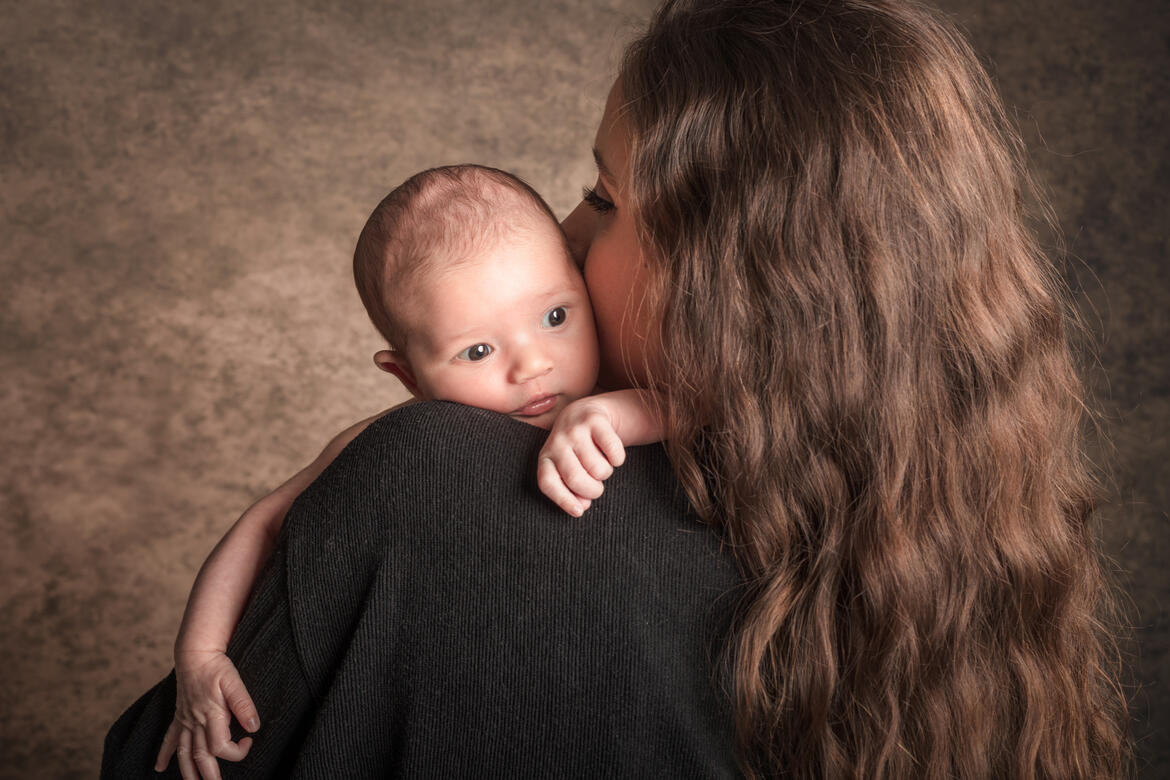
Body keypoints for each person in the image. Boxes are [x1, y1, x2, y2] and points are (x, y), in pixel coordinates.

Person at [105, 0, 1130, 777]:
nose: (567, 232)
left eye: (603, 193)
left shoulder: (441, 476)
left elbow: (156, 760)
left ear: (733, 277)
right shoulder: (927, 599)